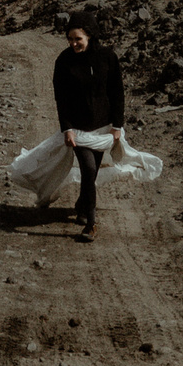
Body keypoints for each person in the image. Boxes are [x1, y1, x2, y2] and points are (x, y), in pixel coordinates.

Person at [51, 17, 124, 243]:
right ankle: (91, 224)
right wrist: (67, 128)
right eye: (70, 39)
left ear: (89, 36)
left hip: (103, 128)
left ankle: (82, 204)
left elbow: (117, 92)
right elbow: (61, 98)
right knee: (89, 168)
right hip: (78, 129)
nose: (73, 44)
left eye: (78, 39)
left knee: (91, 173)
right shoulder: (64, 61)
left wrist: (117, 126)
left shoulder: (108, 57)